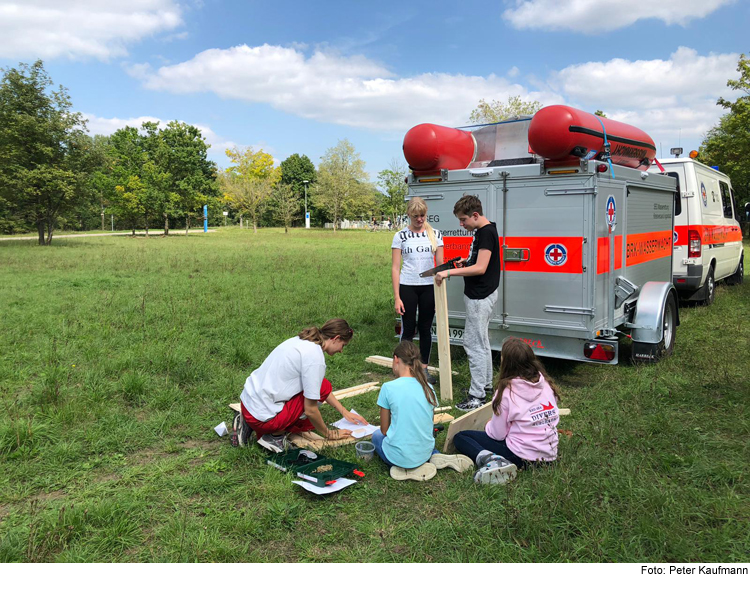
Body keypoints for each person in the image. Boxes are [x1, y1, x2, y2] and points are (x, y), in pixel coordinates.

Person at [232, 319, 368, 452]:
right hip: (263, 420)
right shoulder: (315, 358)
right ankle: (274, 436)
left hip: (247, 405)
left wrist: (344, 411)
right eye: (343, 345)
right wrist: (329, 434)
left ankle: (247, 424)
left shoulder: (301, 340)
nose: (341, 350)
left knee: (322, 385)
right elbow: (310, 410)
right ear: (336, 338)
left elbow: (320, 385)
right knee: (314, 398)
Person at [453, 337, 560, 485]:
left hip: (521, 456)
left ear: (506, 363)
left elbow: (497, 434)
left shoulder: (507, 391)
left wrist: (489, 425)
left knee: (461, 437)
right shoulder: (546, 384)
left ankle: (494, 460)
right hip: (549, 456)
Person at [435, 194, 500, 410]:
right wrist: (467, 261)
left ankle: (476, 397)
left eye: (463, 220)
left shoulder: (486, 232)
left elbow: (481, 268)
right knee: (482, 341)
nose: (461, 224)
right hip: (482, 293)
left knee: (473, 344)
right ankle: (486, 387)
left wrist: (450, 272)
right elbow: (480, 262)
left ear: (475, 215)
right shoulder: (483, 230)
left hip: (480, 297)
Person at [372, 340, 473, 481]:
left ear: (396, 359)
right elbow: (428, 425)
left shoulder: (388, 388)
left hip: (399, 457)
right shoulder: (428, 387)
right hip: (424, 452)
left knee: (376, 436)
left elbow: (384, 430)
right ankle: (433, 455)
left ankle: (404, 467)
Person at [392, 197, 444, 384]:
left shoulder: (435, 234)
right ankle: (403, 369)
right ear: (409, 215)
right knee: (408, 328)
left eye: (422, 215)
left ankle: (423, 370)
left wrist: (440, 294)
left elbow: (440, 266)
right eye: (415, 216)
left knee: (425, 328)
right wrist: (397, 297)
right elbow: (395, 267)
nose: (419, 219)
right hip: (408, 286)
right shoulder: (400, 236)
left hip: (429, 287)